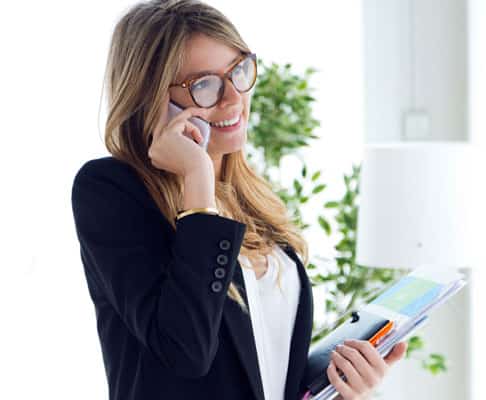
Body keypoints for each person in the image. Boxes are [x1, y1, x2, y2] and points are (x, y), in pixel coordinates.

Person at [70, 1, 407, 399]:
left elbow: (267, 369)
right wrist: (197, 177)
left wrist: (340, 384)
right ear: (151, 98)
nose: (233, 98)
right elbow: (185, 350)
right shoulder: (111, 189)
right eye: (205, 85)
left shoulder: (253, 199)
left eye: (239, 71)